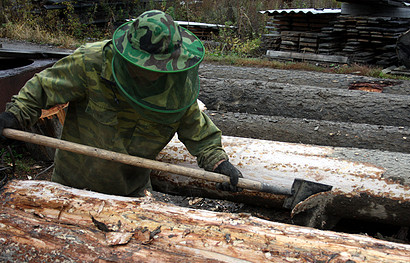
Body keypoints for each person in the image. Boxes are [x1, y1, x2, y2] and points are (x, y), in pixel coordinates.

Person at [0, 10, 242, 197]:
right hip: (73, 184)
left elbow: (196, 129)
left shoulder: (176, 86)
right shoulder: (92, 62)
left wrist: (218, 163)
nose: (152, 73)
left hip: (131, 191)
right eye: (145, 66)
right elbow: (43, 88)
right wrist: (15, 116)